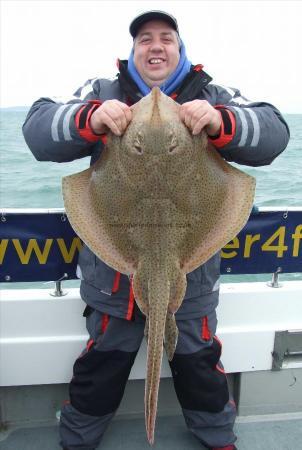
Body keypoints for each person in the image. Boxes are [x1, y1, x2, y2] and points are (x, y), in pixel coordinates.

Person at [22, 10, 290, 450]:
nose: (156, 46)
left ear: (180, 50)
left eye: (167, 38)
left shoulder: (212, 93)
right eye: (145, 39)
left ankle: (218, 437)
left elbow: (275, 133)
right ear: (133, 52)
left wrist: (222, 121)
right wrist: (90, 118)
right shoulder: (103, 91)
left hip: (192, 267)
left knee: (199, 362)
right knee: (102, 364)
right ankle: (77, 440)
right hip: (112, 275)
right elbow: (37, 129)